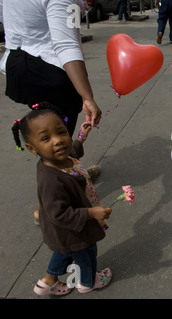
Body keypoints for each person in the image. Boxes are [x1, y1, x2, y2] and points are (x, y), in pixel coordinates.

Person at [0, 0, 103, 223]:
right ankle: (51, 202)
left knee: (46, 136)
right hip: (50, 70)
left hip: (19, 66)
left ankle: (70, 177)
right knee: (59, 138)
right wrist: (86, 96)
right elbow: (67, 45)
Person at [11, 102, 112, 296]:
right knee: (87, 252)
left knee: (64, 251)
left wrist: (82, 136)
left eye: (62, 132)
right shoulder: (51, 179)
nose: (58, 141)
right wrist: (91, 212)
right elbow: (60, 213)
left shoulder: (61, 159)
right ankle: (88, 282)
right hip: (73, 230)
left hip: (63, 233)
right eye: (46, 138)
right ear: (33, 149)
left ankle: (47, 282)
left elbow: (72, 152)